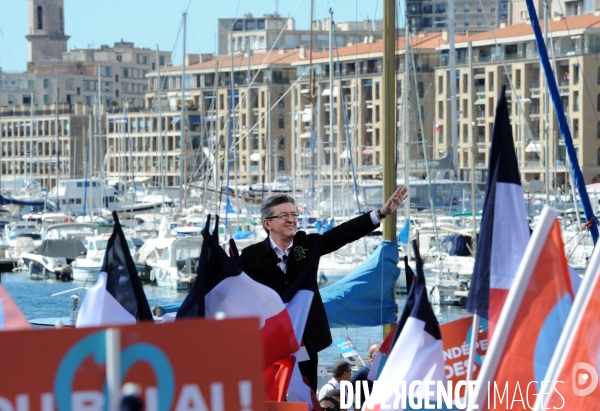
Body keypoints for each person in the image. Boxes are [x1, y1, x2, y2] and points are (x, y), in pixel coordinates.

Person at [241, 187, 408, 391]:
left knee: (306, 392)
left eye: (294, 214)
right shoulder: (251, 256)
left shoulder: (308, 245)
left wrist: (380, 213)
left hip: (306, 339)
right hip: (271, 339)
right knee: (272, 393)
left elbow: (343, 234)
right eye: (283, 215)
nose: (291, 219)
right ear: (268, 223)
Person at [350, 342, 381, 409]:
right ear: (370, 357)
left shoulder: (385, 372)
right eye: (379, 352)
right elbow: (346, 392)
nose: (383, 354)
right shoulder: (362, 373)